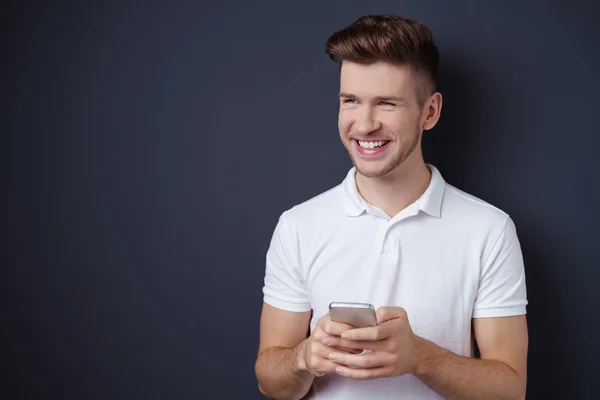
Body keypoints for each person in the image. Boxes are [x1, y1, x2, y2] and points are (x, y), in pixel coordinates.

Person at [254, 14, 528, 400]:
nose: (364, 125)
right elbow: (270, 381)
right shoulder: (298, 226)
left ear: (429, 112)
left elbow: (511, 389)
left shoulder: (489, 230)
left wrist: (420, 358)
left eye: (386, 103)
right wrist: (304, 357)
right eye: (351, 100)